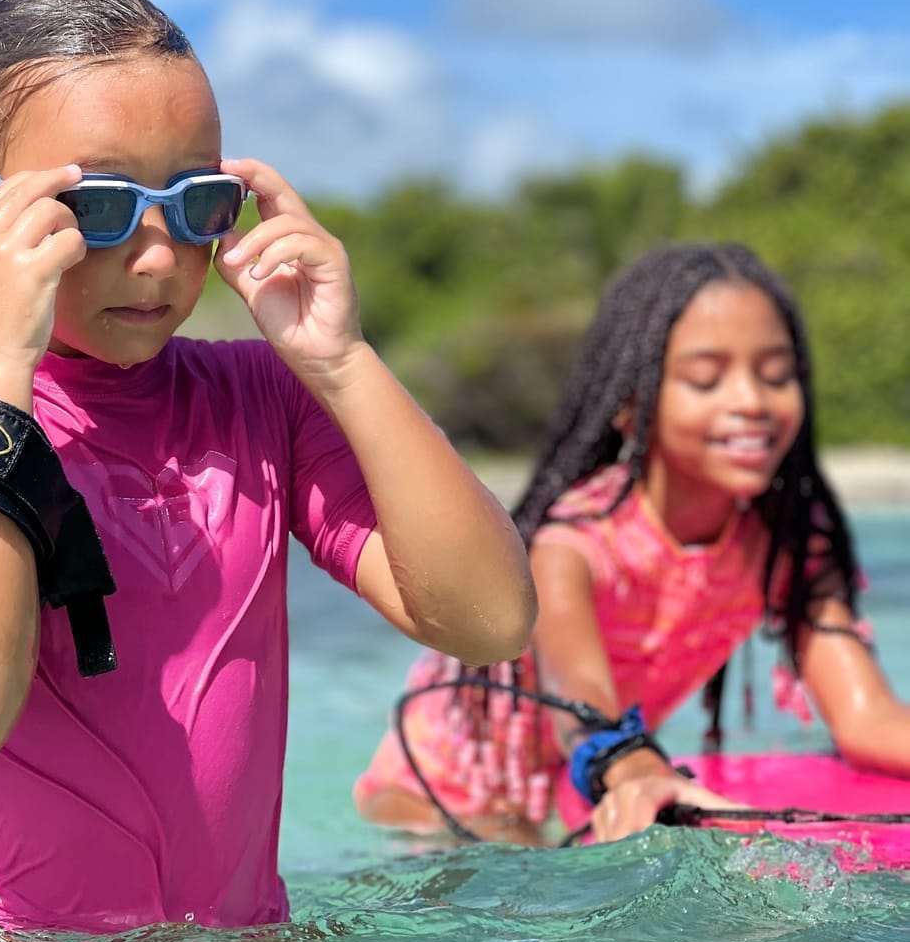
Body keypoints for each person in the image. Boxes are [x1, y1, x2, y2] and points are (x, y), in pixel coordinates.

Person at [0, 0, 537, 934]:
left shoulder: (263, 400)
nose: (160, 254)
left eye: (200, 200)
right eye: (98, 208)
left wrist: (339, 362)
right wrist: (1, 369)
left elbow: (489, 621)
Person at [355, 242, 910, 845]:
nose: (751, 402)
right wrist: (639, 770)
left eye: (777, 375)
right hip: (443, 795)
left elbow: (867, 721)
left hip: (591, 779)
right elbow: (581, 705)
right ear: (629, 402)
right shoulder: (573, 545)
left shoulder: (787, 545)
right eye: (706, 379)